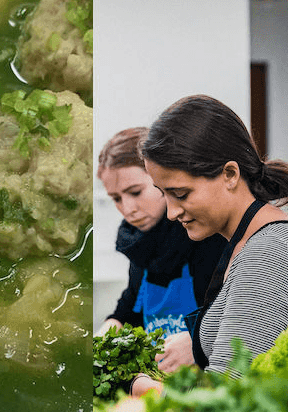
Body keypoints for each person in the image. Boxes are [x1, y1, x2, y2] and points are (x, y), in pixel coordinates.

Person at [130, 95, 288, 396]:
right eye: (164, 194)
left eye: (182, 194)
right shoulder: (248, 241)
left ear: (230, 174)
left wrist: (138, 388)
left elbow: (226, 402)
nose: (172, 212)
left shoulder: (268, 254)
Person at [96, 128, 227, 360]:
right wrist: (100, 341)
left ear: (162, 180)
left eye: (135, 192)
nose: (127, 209)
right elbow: (130, 310)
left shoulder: (207, 236)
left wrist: (197, 343)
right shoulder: (140, 245)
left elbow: (233, 313)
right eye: (116, 198)